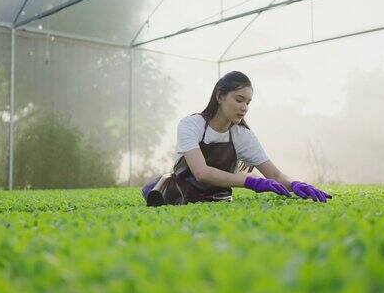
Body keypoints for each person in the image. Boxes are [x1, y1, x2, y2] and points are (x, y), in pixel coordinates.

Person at [141, 71, 332, 207]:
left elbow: (274, 175)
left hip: (219, 199)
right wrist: (251, 182)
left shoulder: (242, 136)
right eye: (239, 100)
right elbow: (201, 172)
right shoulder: (191, 125)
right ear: (220, 97)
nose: (244, 107)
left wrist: (296, 184)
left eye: (248, 103)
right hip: (181, 197)